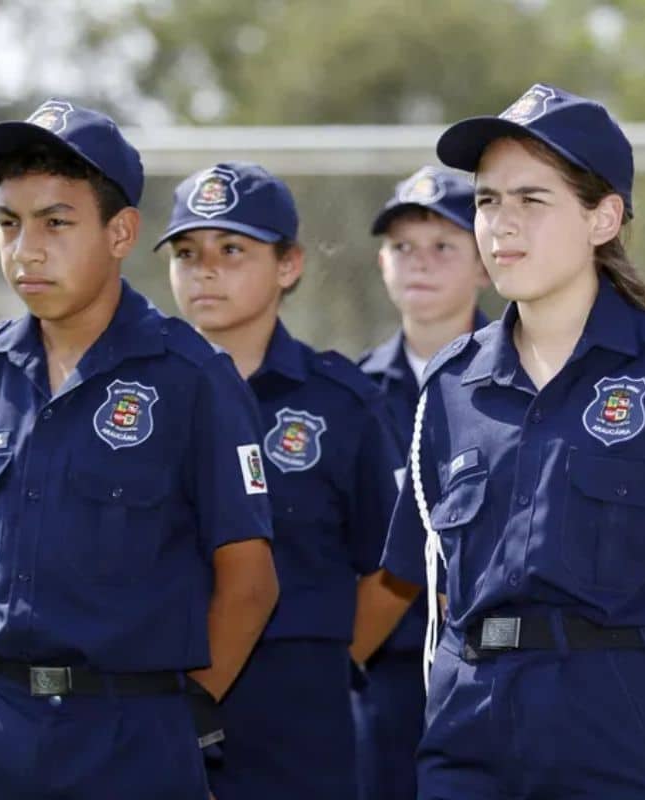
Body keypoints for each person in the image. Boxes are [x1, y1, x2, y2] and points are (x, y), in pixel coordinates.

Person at [355, 83, 645, 799]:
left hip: (624, 738)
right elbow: (440, 593)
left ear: (602, 217)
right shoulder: (451, 386)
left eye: (531, 200)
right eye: (487, 201)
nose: (500, 225)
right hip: (470, 740)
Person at [0, 99, 278, 800]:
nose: (26, 249)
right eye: (9, 223)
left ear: (120, 233)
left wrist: (176, 717)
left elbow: (250, 582)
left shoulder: (190, 377)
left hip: (133, 734)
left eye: (56, 223)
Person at [158, 160, 403, 800]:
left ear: (288, 265)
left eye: (232, 249)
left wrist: (329, 654)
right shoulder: (137, 402)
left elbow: (393, 566)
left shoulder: (341, 403)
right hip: (156, 703)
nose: (205, 268)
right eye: (187, 252)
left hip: (295, 716)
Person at [351, 165, 488, 800]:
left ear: (485, 260)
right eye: (402, 246)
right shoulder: (349, 395)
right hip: (381, 681)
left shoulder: (528, 386)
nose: (420, 264)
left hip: (493, 677)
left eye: (443, 246)